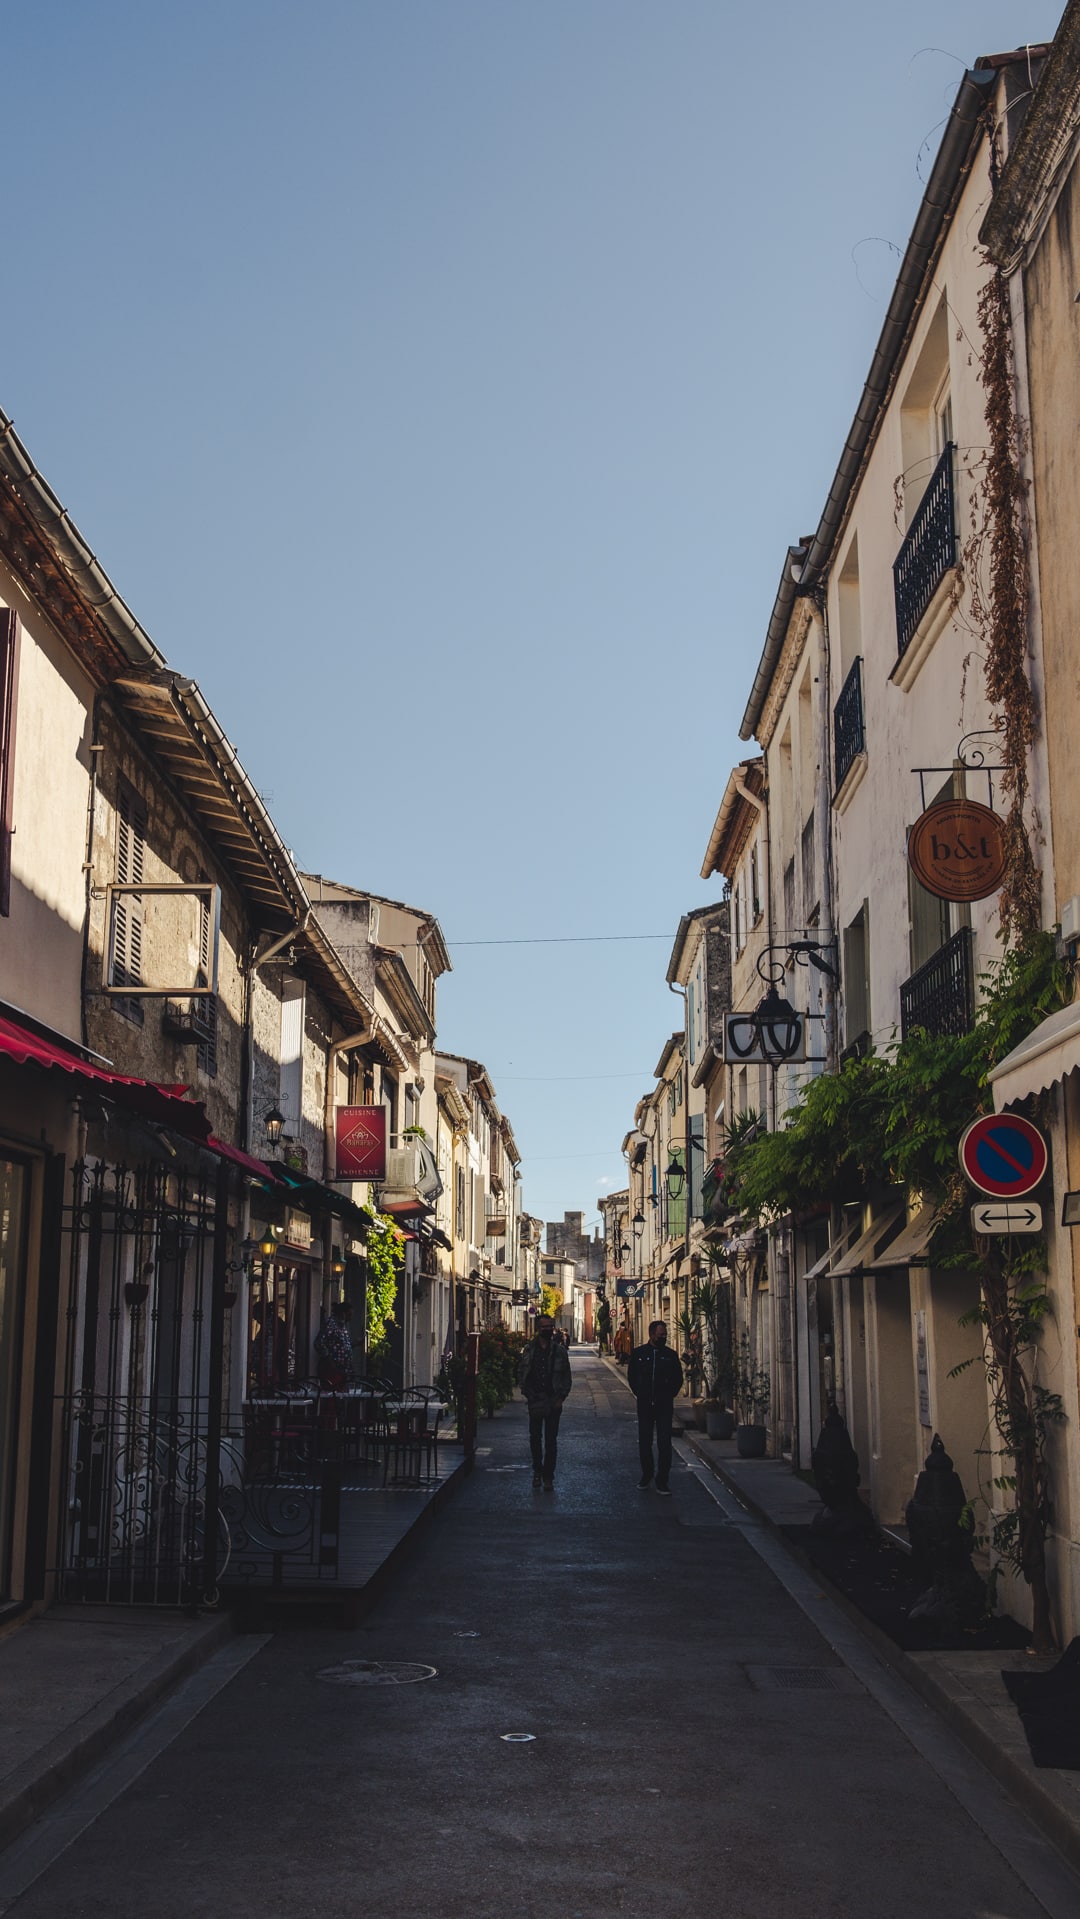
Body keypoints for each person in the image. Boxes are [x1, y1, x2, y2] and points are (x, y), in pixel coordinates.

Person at [628, 1319, 684, 1495]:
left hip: (664, 1405)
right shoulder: (639, 1354)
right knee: (645, 1442)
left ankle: (662, 1480)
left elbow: (678, 1378)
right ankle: (647, 1475)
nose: (664, 1337)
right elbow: (632, 1376)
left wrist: (668, 1395)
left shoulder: (670, 1355)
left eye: (665, 1335)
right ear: (652, 1334)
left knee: (664, 1443)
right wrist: (640, 1393)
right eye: (661, 1335)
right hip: (645, 1405)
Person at [517, 1313, 572, 1488]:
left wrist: (561, 1398)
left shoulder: (560, 1352)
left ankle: (548, 1476)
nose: (547, 1329)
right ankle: (537, 1472)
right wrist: (527, 1393)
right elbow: (521, 1373)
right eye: (544, 1327)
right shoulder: (529, 1349)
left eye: (550, 1326)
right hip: (535, 1400)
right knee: (535, 1439)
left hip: (553, 1401)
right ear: (537, 1329)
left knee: (550, 1441)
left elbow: (566, 1378)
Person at [314, 1299, 354, 1390]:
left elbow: (339, 1345)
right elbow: (319, 1342)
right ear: (343, 1314)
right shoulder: (331, 1324)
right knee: (331, 1397)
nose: (351, 1318)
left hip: (343, 1369)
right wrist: (329, 1359)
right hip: (332, 1369)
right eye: (349, 1315)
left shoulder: (342, 1326)